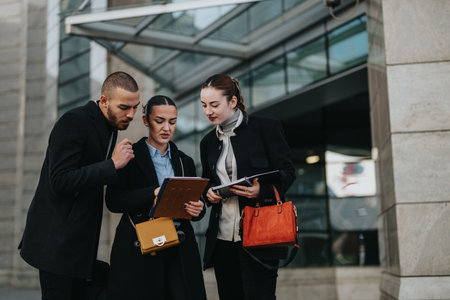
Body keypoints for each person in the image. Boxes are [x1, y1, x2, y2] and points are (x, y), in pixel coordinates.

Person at [19, 71, 141, 300]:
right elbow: (60, 180)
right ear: (104, 100)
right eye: (124, 107)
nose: (131, 114)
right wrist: (112, 165)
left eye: (135, 107)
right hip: (56, 245)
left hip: (79, 249)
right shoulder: (74, 121)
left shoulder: (110, 127)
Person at [200, 74, 296, 300]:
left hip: (260, 235)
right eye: (204, 105)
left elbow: (288, 173)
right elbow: (207, 182)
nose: (208, 111)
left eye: (214, 104)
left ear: (232, 101)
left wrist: (260, 191)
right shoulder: (207, 142)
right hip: (223, 238)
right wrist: (208, 194)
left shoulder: (266, 128)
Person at [105, 95, 207, 300]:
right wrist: (152, 193)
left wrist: (199, 209)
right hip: (141, 247)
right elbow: (113, 201)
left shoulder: (184, 161)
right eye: (159, 121)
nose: (166, 128)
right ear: (146, 120)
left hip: (179, 248)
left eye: (172, 122)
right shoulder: (129, 156)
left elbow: (197, 203)